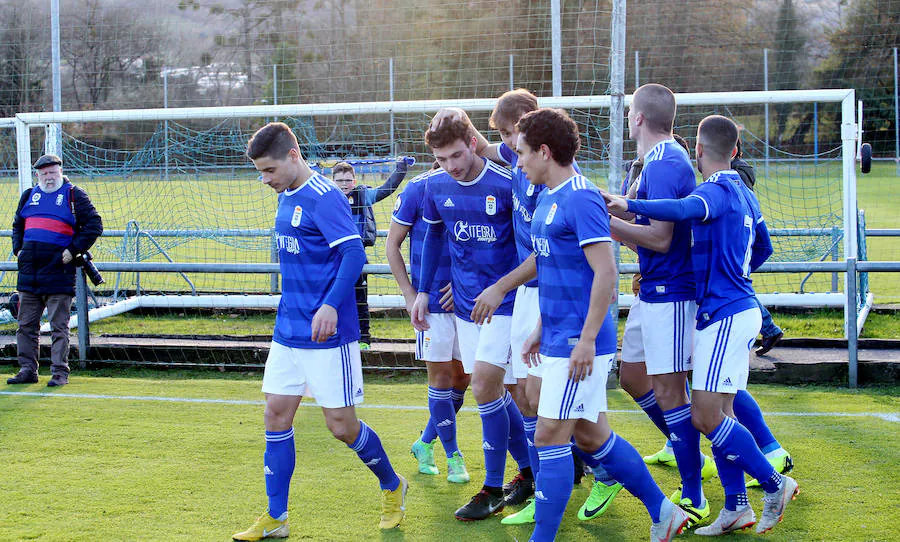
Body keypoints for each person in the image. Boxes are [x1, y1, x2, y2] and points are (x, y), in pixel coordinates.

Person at [431, 90, 619, 525]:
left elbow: (557, 254)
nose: (505, 148)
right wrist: (456, 120)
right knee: (531, 396)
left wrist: (500, 286)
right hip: (532, 296)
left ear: (533, 138)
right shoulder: (520, 158)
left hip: (546, 294)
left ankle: (589, 473)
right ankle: (551, 472)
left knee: (563, 406)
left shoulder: (555, 184)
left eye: (508, 135)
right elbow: (474, 142)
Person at [605, 114, 799, 536]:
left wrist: (628, 204)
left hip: (724, 313)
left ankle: (774, 482)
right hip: (735, 308)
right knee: (722, 412)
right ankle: (736, 506)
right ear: (736, 150)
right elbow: (762, 246)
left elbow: (680, 210)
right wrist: (735, 274)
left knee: (707, 415)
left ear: (696, 150)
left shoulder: (715, 190)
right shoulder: (747, 194)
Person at [514, 107, 688, 542]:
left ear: (545, 151)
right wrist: (540, 325)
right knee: (591, 437)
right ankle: (664, 512)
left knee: (550, 437)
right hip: (557, 334)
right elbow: (556, 267)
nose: (518, 163)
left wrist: (587, 340)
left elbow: (606, 273)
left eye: (522, 153)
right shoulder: (549, 198)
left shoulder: (581, 197)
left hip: (578, 341)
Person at [234, 123, 407, 540]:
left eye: (269, 170)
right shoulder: (285, 194)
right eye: (260, 171)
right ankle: (277, 517)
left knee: (342, 426)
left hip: (328, 333)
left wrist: (330, 305)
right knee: (275, 414)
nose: (264, 179)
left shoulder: (325, 196)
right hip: (289, 328)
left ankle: (393, 485)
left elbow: (352, 255)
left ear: (294, 155)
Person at [411, 115, 531, 521]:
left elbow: (530, 248)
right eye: (441, 158)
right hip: (465, 308)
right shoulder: (434, 186)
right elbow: (434, 236)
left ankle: (492, 489)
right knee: (494, 392)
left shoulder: (506, 184)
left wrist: (501, 288)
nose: (451, 165)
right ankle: (533, 470)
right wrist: (423, 291)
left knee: (483, 387)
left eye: (457, 155)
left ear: (473, 143)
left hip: (507, 305)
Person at [606, 83, 713, 528]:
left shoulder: (668, 161)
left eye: (628, 112)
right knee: (632, 376)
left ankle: (695, 493)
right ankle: (679, 438)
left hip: (672, 294)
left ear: (636, 118)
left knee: (672, 392)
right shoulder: (654, 161)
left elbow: (662, 238)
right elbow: (642, 216)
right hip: (651, 289)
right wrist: (608, 204)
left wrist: (605, 223)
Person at [386, 167, 472, 481]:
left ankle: (424, 443)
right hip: (432, 304)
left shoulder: (476, 184)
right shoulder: (417, 188)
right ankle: (453, 457)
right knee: (441, 378)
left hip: (470, 301)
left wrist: (466, 284)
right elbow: (391, 245)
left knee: (463, 379)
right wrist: (410, 294)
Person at [7, 154, 103, 387]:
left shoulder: (74, 195)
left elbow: (94, 225)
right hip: (30, 273)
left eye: (52, 172)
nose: (48, 177)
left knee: (59, 326)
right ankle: (28, 370)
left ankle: (60, 372)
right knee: (25, 325)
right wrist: (18, 249)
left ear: (60, 172)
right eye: (43, 173)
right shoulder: (29, 195)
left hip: (58, 271)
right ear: (37, 175)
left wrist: (72, 250)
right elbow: (18, 225)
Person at [332, 159, 409, 350]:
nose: (344, 184)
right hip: (333, 257)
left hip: (357, 256)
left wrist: (401, 169)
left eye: (348, 180)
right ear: (332, 180)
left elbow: (387, 189)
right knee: (334, 297)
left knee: (360, 298)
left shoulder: (363, 195)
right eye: (340, 180)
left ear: (354, 180)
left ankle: (364, 339)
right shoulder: (328, 198)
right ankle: (335, 334)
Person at [731, 139, 784, 356]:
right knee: (738, 284)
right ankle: (769, 329)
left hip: (740, 236)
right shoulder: (741, 170)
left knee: (737, 285)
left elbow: (739, 203)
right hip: (744, 235)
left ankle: (769, 328)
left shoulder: (737, 173)